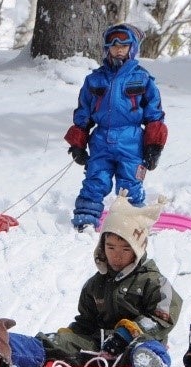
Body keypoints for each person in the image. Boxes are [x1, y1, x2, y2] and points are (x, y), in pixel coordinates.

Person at [11, 193, 181, 367]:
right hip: (99, 345)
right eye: (110, 247)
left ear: (138, 249)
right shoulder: (94, 285)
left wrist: (126, 334)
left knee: (146, 350)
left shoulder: (154, 281)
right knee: (51, 343)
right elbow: (87, 321)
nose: (116, 255)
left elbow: (162, 317)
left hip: (137, 343)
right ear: (101, 247)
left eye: (125, 249)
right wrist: (71, 336)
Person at [65, 23, 167, 232]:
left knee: (130, 184)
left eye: (124, 44)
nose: (118, 49)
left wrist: (154, 146)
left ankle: (131, 227)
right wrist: (78, 144)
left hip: (131, 141)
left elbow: (154, 115)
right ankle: (85, 223)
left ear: (132, 48)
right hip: (101, 140)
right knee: (95, 181)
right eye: (113, 45)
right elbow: (83, 113)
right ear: (106, 48)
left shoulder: (142, 78)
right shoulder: (95, 79)